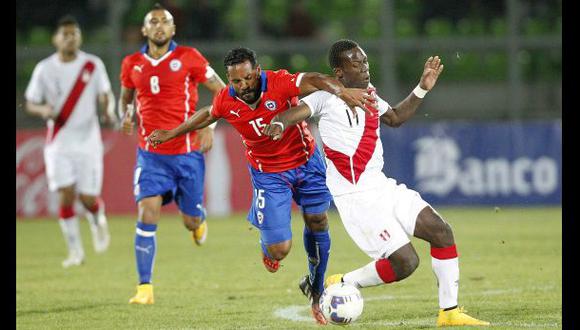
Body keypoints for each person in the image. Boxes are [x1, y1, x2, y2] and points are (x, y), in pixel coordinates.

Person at [263, 39, 490, 327]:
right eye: (356, 63)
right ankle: (342, 281)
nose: (365, 68)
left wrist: (422, 88)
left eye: (365, 61)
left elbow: (394, 118)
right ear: (339, 72)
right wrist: (280, 123)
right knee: (406, 263)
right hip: (355, 198)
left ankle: (449, 313)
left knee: (441, 232)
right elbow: (294, 113)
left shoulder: (370, 94)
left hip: (382, 187)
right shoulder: (324, 97)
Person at [146, 47, 374, 324]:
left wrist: (342, 92)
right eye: (235, 82)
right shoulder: (226, 100)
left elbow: (315, 79)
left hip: (306, 163)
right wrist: (172, 133)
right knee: (280, 250)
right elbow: (209, 113)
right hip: (269, 174)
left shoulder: (278, 82)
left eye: (247, 79)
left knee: (318, 221)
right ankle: (267, 239)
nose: (242, 86)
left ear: (257, 71)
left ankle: (316, 289)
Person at [118, 3, 227, 305]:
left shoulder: (189, 57)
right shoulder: (131, 63)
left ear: (173, 29)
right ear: (144, 29)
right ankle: (145, 288)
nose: (159, 26)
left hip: (187, 153)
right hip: (150, 155)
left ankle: (197, 217)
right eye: (153, 22)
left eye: (165, 22)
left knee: (190, 221)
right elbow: (126, 98)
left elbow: (222, 92)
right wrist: (124, 115)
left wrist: (211, 125)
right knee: (147, 211)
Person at [24, 15, 114, 268]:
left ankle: (98, 218)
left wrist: (108, 110)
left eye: (74, 33)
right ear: (56, 39)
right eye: (66, 34)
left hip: (88, 142)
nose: (70, 38)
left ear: (79, 37)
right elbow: (30, 101)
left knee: (87, 198)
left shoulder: (92, 65)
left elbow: (105, 93)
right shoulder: (45, 68)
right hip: (59, 142)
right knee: (65, 195)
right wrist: (42, 111)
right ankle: (75, 252)